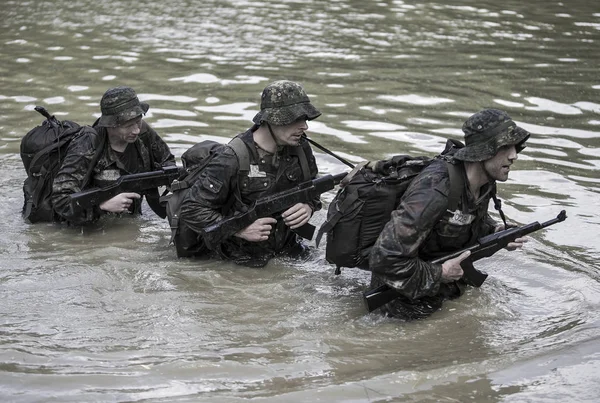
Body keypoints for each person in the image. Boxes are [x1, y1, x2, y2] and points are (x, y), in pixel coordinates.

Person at [368, 108, 530, 320]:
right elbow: (384, 258)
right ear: (485, 150)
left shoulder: (483, 184)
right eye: (506, 147)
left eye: (516, 147)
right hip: (401, 307)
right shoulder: (435, 189)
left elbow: (461, 223)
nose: (514, 155)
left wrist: (497, 233)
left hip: (443, 295)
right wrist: (440, 274)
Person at [178, 80, 322, 267]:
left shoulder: (301, 148)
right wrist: (239, 229)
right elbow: (191, 209)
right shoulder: (232, 158)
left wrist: (308, 206)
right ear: (272, 119)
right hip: (237, 259)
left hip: (289, 250)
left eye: (305, 119)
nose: (304, 127)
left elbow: (313, 186)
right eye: (296, 119)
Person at [51, 86, 176, 225]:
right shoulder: (87, 145)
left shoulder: (143, 134)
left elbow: (168, 164)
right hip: (89, 230)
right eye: (128, 125)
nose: (136, 130)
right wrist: (102, 206)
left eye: (138, 120)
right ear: (110, 125)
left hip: (130, 223)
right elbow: (60, 201)